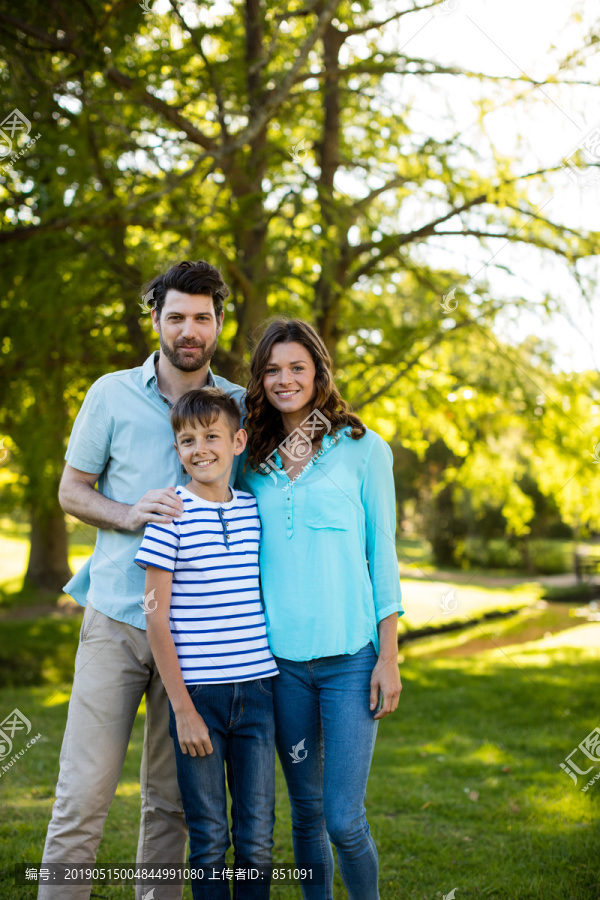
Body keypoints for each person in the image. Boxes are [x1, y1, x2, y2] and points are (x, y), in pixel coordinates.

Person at [39, 260, 245, 900]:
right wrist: (127, 514)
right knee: (82, 796)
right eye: (177, 316)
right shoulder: (109, 393)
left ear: (217, 324)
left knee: (170, 807)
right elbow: (72, 490)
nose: (190, 329)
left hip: (195, 640)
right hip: (117, 620)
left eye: (202, 318)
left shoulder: (238, 406)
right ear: (156, 319)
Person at [236, 318, 404, 900]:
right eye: (272, 370)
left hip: (351, 662)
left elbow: (383, 554)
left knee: (342, 819)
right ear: (259, 380)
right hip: (279, 667)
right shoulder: (250, 459)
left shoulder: (362, 449)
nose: (284, 379)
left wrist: (389, 656)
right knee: (305, 817)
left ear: (318, 373)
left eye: (296, 368)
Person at [135, 387, 279, 900]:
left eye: (212, 436)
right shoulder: (171, 516)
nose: (200, 448)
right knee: (211, 839)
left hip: (259, 694)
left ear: (238, 441)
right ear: (177, 449)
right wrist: (183, 709)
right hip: (198, 698)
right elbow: (155, 619)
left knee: (257, 841)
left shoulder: (253, 510)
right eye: (187, 440)